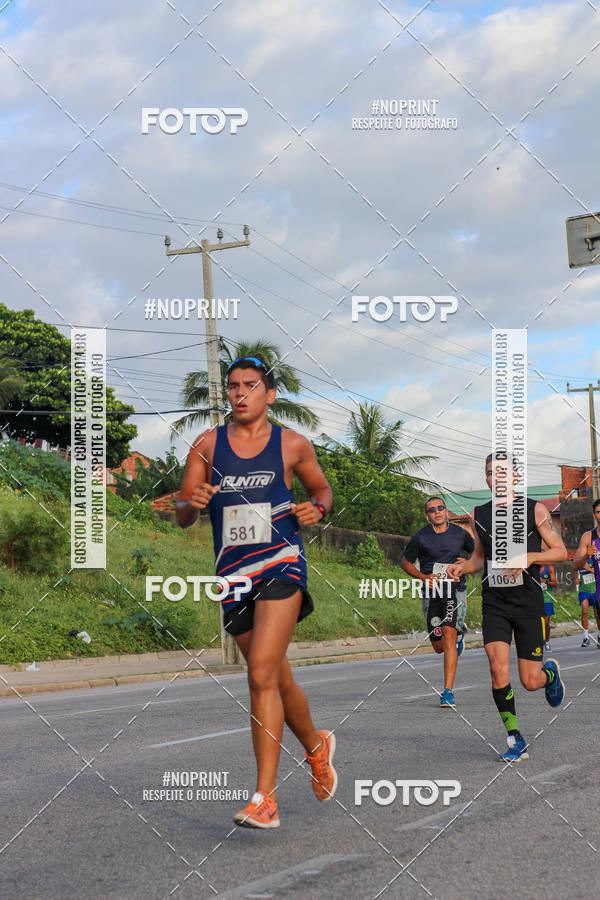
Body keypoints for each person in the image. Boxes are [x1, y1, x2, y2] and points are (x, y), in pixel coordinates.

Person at [176, 355, 336, 828]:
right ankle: (316, 746)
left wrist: (316, 510)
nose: (240, 393)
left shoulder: (293, 444)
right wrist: (192, 502)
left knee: (261, 674)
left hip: (282, 566)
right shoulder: (207, 446)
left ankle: (264, 797)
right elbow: (182, 512)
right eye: (233, 386)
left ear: (269, 393)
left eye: (250, 385)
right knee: (278, 680)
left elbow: (322, 491)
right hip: (234, 576)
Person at [447, 453, 567, 762]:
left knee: (530, 681)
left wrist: (529, 557)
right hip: (495, 603)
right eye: (489, 473)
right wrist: (463, 567)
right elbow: (480, 558)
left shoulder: (534, 509)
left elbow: (560, 551)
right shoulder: (478, 514)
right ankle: (515, 737)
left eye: (501, 472)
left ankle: (549, 674)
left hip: (527, 604)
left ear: (514, 476)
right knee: (496, 665)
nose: (494, 477)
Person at [401, 497, 474, 708]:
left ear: (447, 511)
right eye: (432, 510)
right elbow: (405, 562)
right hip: (432, 592)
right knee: (439, 646)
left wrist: (467, 562)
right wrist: (423, 577)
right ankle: (459, 633)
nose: (437, 512)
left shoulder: (461, 534)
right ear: (427, 515)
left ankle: (447, 692)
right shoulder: (420, 537)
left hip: (455, 590)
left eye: (440, 508)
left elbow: (477, 554)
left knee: (449, 634)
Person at [572, 501, 600, 648]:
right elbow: (575, 565)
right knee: (586, 610)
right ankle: (586, 637)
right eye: (598, 512)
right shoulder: (588, 537)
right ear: (594, 515)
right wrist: (586, 557)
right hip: (593, 590)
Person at [539, 563, 557, 652]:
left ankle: (546, 642)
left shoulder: (549, 567)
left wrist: (545, 581)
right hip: (535, 599)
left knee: (546, 622)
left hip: (547, 599)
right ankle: (538, 642)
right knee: (536, 623)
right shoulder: (532, 568)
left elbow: (555, 583)